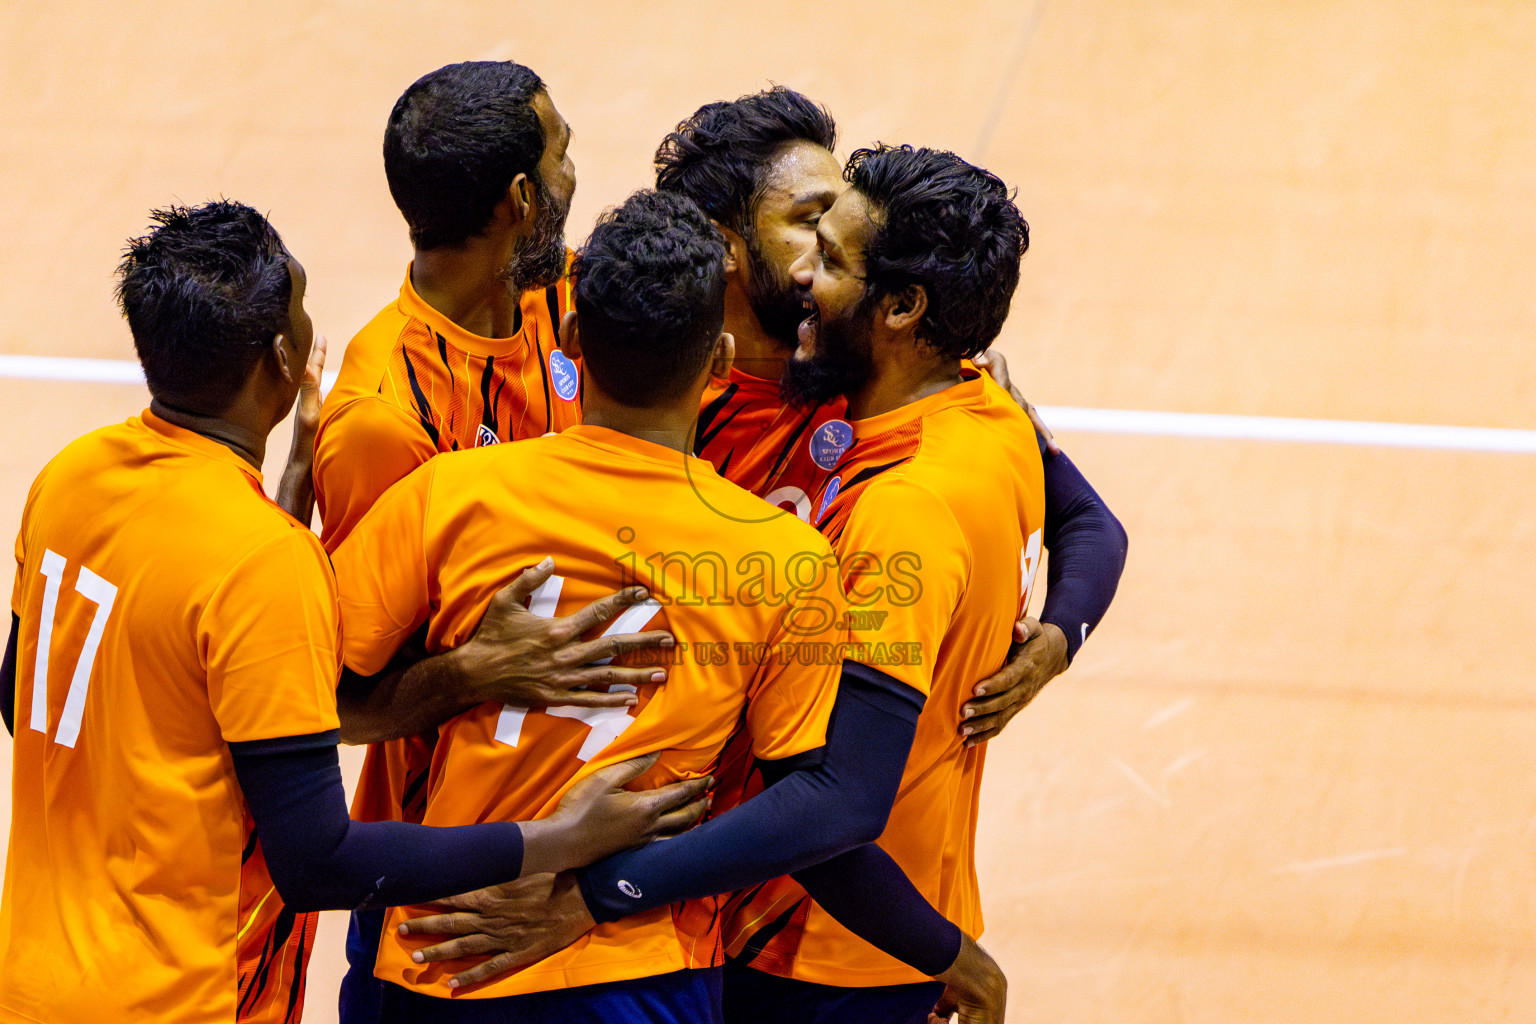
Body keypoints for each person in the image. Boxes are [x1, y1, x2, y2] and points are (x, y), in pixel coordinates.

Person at [0, 201, 707, 1024]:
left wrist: (288, 491)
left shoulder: (73, 475)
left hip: (33, 976)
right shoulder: (262, 559)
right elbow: (320, 862)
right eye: (301, 309)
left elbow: (24, 694)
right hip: (178, 993)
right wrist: (563, 839)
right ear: (281, 355)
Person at [331, 189, 1000, 1021]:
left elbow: (307, 706)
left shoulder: (445, 496)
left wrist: (462, 674)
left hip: (443, 952)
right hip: (641, 973)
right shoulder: (787, 561)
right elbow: (815, 802)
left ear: (573, 342)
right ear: (719, 362)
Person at [308, 62, 678, 1022]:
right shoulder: (384, 418)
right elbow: (333, 703)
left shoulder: (568, 298)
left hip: (600, 845)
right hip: (452, 890)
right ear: (520, 199)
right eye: (562, 151)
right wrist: (477, 672)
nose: (574, 169)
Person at [699, 144, 1050, 1022]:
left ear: (901, 307)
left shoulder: (906, 511)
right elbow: (1096, 526)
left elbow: (837, 805)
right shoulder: (992, 418)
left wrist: (600, 887)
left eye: (833, 261)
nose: (803, 278)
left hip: (817, 949)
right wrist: (1062, 636)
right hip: (903, 926)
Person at [658, 87, 1127, 741]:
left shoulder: (891, 371)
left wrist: (1056, 640)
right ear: (724, 244)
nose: (829, 239)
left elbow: (1088, 520)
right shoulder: (652, 391)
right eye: (809, 223)